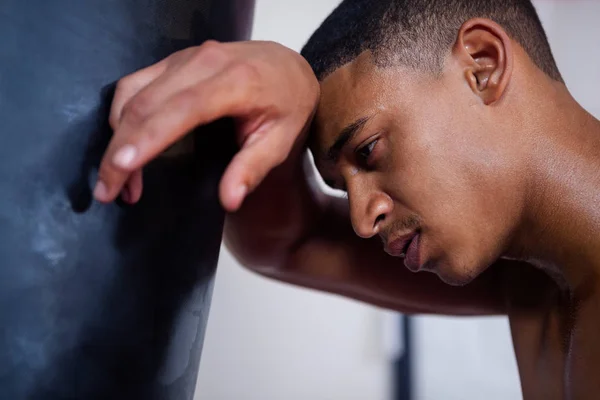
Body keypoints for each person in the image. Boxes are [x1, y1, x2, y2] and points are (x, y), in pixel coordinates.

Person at [91, 0, 600, 398]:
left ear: (481, 67)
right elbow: (291, 241)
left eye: (370, 150)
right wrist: (286, 83)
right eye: (342, 184)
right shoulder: (535, 281)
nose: (362, 219)